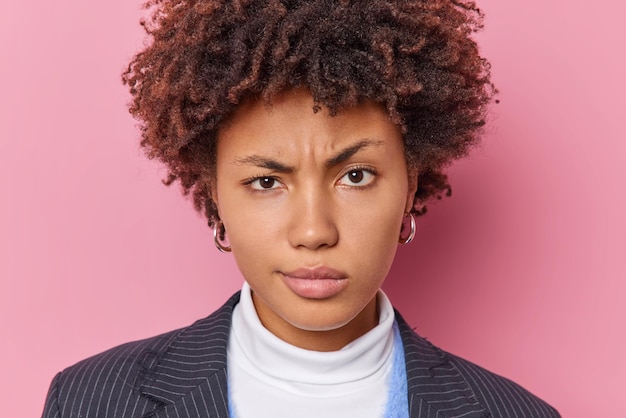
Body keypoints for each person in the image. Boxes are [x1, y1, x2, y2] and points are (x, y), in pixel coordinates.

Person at [42, 0, 560, 417]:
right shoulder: (90, 401)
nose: (314, 232)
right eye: (266, 181)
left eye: (355, 176)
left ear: (409, 187)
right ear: (217, 194)